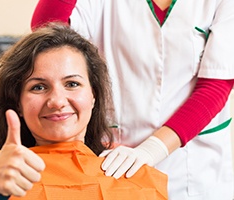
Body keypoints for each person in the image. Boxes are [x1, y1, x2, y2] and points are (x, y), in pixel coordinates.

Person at [31, 0, 234, 199]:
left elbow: (215, 87)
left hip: (192, 166)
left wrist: (151, 150)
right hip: (116, 161)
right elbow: (49, 30)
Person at [0, 23, 167, 200]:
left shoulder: (131, 171)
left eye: (72, 84)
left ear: (93, 95)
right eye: (38, 87)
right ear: (18, 103)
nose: (57, 101)